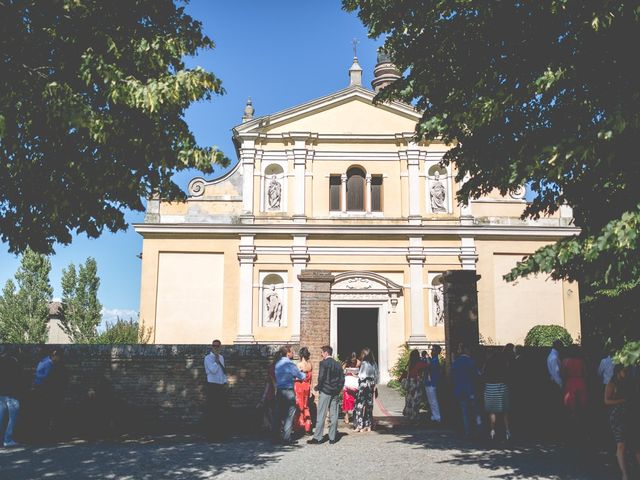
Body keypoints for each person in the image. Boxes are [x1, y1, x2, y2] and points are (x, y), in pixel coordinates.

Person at [605, 365, 640, 480]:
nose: (626, 373)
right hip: (617, 416)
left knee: (634, 444)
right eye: (624, 371)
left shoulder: (628, 382)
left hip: (629, 415)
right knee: (621, 445)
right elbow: (606, 400)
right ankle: (624, 473)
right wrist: (622, 400)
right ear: (618, 372)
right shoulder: (612, 383)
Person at [308, 345, 345, 444]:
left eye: (322, 352)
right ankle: (332, 438)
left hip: (325, 391)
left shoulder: (323, 363)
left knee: (321, 415)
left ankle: (318, 438)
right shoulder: (338, 364)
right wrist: (338, 389)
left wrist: (318, 387)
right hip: (335, 392)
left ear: (326, 353)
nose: (321, 354)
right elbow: (342, 379)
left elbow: (321, 377)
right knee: (334, 415)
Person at [273, 345, 306, 444]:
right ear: (288, 353)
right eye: (292, 351)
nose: (293, 353)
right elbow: (300, 376)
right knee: (289, 414)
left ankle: (275, 437)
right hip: (288, 391)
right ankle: (286, 438)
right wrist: (302, 373)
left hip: (279, 390)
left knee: (278, 414)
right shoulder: (290, 364)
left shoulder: (278, 363)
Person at [483, 347, 512, 440]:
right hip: (501, 387)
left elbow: (483, 375)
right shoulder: (502, 364)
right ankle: (507, 431)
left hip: (490, 388)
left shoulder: (487, 364)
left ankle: (492, 431)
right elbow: (507, 375)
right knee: (505, 412)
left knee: (492, 412)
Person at [204, 339, 228, 441]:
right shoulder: (208, 358)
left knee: (220, 411)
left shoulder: (221, 357)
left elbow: (223, 371)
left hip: (220, 385)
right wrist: (216, 362)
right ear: (212, 347)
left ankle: (220, 435)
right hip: (212, 385)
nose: (216, 348)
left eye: (218, 346)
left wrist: (225, 382)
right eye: (214, 346)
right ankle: (211, 435)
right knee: (212, 411)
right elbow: (213, 371)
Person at [452, 343, 478, 437]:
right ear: (467, 350)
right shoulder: (471, 362)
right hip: (471, 390)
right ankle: (477, 430)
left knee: (464, 412)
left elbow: (453, 376)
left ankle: (467, 431)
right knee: (475, 411)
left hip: (460, 390)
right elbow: (476, 376)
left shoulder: (456, 362)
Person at [0, 349, 25, 447]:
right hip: (13, 394)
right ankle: (8, 439)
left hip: (1, 394)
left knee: (0, 418)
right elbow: (20, 379)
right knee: (12, 419)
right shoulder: (15, 363)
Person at [561, 344, 588, 433]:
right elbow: (585, 374)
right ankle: (581, 428)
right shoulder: (581, 361)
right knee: (581, 406)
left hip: (570, 383)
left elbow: (563, 374)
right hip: (580, 382)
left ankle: (571, 428)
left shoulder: (565, 361)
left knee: (570, 406)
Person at [353, 347, 378, 432]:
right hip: (371, 385)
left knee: (360, 405)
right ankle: (368, 425)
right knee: (369, 406)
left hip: (363, 385)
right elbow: (376, 376)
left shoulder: (364, 363)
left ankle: (359, 425)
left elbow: (362, 375)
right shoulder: (374, 363)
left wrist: (355, 375)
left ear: (365, 354)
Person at [257, 350, 281, 433]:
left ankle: (272, 428)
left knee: (271, 412)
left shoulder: (272, 367)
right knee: (274, 412)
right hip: (276, 392)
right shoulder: (277, 367)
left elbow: (268, 382)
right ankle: (274, 429)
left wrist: (264, 396)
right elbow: (272, 382)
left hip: (272, 392)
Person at [401, 349, 427, 423]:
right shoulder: (419, 363)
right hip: (416, 383)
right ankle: (415, 417)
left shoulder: (410, 364)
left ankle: (410, 416)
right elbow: (428, 365)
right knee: (416, 401)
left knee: (410, 400)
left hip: (410, 383)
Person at [294, 347, 313, 435]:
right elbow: (310, 379)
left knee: (299, 406)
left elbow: (297, 377)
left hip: (299, 386)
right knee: (306, 406)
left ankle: (299, 426)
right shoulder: (310, 365)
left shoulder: (299, 365)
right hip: (307, 386)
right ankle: (308, 426)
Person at [425, 345, 442, 423]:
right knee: (431, 401)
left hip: (432, 383)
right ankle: (434, 415)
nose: (431, 352)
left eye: (433, 350)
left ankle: (437, 416)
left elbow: (430, 369)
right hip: (430, 382)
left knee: (433, 401)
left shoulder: (435, 361)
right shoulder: (433, 360)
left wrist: (428, 363)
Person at [342, 352, 360, 425]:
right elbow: (342, 369)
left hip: (355, 383)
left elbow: (361, 373)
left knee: (354, 400)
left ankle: (355, 415)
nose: (353, 362)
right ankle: (346, 416)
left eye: (354, 361)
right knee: (346, 400)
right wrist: (346, 370)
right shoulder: (346, 362)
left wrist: (355, 374)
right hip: (348, 383)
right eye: (352, 361)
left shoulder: (359, 362)